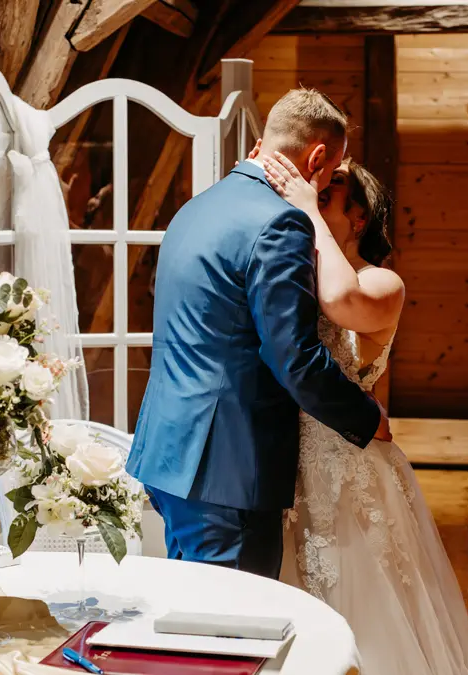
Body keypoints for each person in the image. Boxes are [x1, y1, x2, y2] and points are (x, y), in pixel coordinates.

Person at [125, 89, 391, 580]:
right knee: (231, 621)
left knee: (188, 612)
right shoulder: (281, 223)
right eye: (331, 172)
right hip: (227, 472)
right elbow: (293, 356)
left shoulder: (196, 207)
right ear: (316, 158)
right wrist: (364, 416)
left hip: (169, 454)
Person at [262, 152, 468, 675]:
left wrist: (305, 209)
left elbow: (342, 303)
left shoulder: (382, 283)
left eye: (328, 193)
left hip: (348, 471)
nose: (311, 196)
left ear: (359, 216)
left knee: (363, 611)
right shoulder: (295, 277)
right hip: (282, 467)